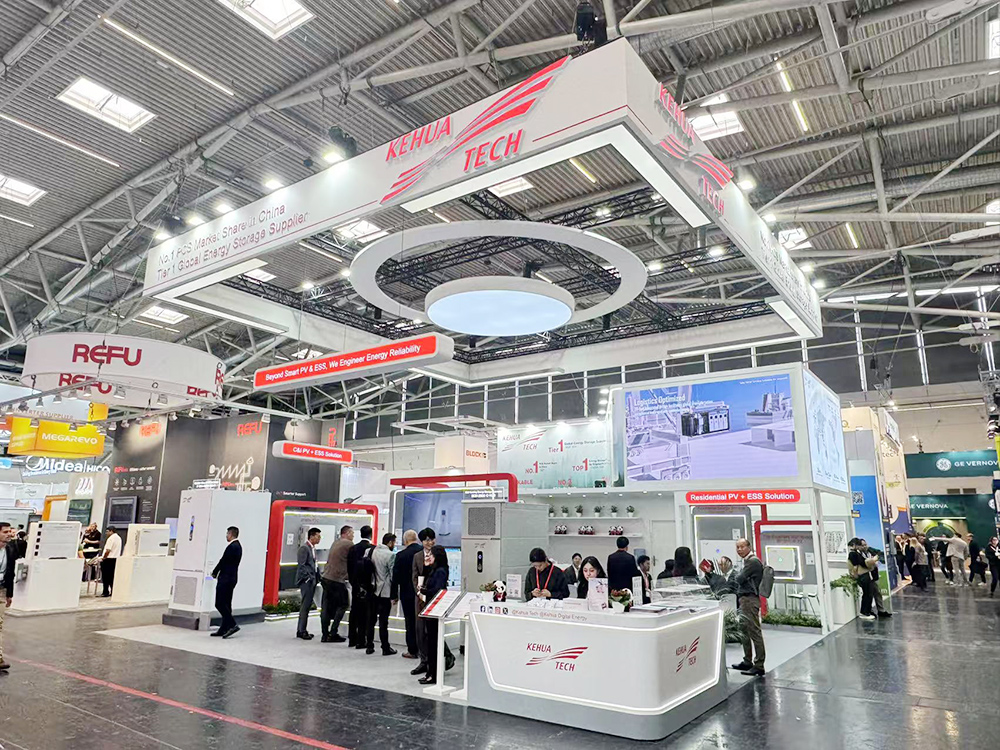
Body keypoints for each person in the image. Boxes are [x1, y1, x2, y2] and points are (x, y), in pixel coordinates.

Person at [411, 528, 453, 676]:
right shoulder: (417, 556)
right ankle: (424, 661)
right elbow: (414, 576)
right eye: (426, 540)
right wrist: (419, 593)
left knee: (434, 631)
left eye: (431, 539)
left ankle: (442, 658)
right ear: (421, 541)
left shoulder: (439, 553)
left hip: (435, 598)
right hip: (420, 597)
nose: (429, 542)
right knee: (420, 630)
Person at [730, 538, 765, 676]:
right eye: (737, 547)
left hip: (750, 599)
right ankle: (747, 661)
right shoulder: (747, 561)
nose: (739, 550)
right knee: (744, 630)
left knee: (754, 632)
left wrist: (735, 574)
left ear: (749, 547)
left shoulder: (752, 562)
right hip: (745, 599)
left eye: (742, 547)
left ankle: (759, 665)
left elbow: (739, 578)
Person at [416, 545, 449, 686]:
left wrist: (424, 591)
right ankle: (431, 672)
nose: (429, 557)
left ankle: (433, 673)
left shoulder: (441, 571)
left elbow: (437, 590)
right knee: (430, 640)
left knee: (433, 642)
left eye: (432, 555)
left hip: (435, 608)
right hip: (431, 608)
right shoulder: (435, 569)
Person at [391, 529, 422, 659]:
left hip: (407, 593)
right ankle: (424, 649)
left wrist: (394, 595)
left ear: (405, 540)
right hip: (422, 593)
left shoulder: (401, 555)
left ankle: (412, 650)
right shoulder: (424, 552)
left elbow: (395, 577)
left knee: (410, 621)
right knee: (423, 622)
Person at [321, 525, 353, 643]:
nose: (353, 536)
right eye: (352, 533)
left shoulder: (335, 543)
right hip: (337, 579)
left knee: (326, 606)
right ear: (347, 533)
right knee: (344, 604)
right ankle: (333, 632)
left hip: (326, 577)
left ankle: (325, 634)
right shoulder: (349, 544)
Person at [211, 526, 242, 638]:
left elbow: (223, 561)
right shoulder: (238, 546)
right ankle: (224, 628)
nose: (226, 536)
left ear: (231, 534)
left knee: (219, 603)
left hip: (225, 578)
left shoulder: (231, 547)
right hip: (232, 578)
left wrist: (215, 572)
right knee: (227, 604)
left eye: (227, 534)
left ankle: (232, 624)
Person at [369, 532, 398, 656]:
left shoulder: (371, 551)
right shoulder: (390, 555)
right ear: (390, 542)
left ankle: (369, 645)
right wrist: (395, 594)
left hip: (372, 589)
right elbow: (392, 576)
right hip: (385, 591)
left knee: (371, 620)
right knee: (383, 622)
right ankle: (385, 647)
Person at [347, 525, 374, 649]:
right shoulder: (372, 549)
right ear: (371, 535)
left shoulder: (353, 548)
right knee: (365, 613)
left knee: (354, 611)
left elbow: (349, 567)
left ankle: (352, 638)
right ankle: (362, 640)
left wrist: (353, 582)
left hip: (355, 584)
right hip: (367, 586)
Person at [295, 527, 322, 640]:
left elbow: (314, 564)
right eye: (318, 536)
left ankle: (302, 629)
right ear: (311, 536)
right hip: (307, 581)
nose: (319, 539)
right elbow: (302, 565)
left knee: (307, 605)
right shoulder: (304, 548)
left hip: (313, 580)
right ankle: (301, 631)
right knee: (305, 606)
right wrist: (308, 578)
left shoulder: (312, 548)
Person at [859, 539, 890, 617]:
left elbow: (879, 555)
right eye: (862, 545)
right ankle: (869, 610)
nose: (864, 546)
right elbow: (865, 564)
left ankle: (881, 610)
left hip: (874, 575)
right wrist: (872, 561)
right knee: (869, 594)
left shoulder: (871, 551)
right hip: (866, 576)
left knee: (877, 592)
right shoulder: (859, 554)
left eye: (865, 544)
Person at [0, 522, 16, 671]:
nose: (9, 534)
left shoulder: (11, 549)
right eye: (5, 532)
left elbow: (11, 573)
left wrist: (10, 594)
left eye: (9, 532)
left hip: (1, 589)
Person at [848, 538, 876, 620]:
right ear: (854, 545)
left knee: (869, 593)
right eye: (859, 545)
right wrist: (855, 575)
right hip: (863, 575)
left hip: (865, 574)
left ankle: (867, 610)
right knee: (867, 593)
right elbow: (858, 565)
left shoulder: (857, 553)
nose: (860, 547)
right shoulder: (853, 554)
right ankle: (865, 612)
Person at [100, 526, 122, 597]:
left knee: (105, 577)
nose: (106, 533)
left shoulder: (111, 539)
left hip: (108, 559)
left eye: (107, 531)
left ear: (111, 531)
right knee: (112, 577)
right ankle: (113, 591)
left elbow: (108, 550)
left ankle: (105, 591)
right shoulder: (119, 538)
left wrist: (104, 558)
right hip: (115, 559)